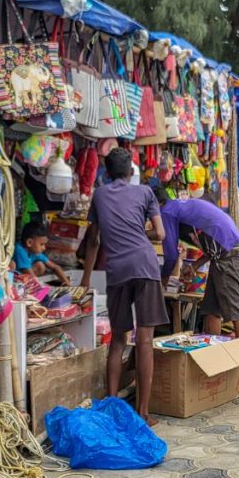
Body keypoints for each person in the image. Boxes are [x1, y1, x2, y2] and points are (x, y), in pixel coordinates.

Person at [80, 148, 168, 425]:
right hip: (145, 265)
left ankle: (111, 406)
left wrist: (84, 280)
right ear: (130, 170)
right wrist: (139, 232)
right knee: (144, 340)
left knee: (118, 340)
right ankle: (143, 412)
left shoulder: (100, 194)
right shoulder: (145, 192)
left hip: (116, 271)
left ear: (106, 172)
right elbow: (161, 233)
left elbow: (93, 241)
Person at [155, 189, 239, 393]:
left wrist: (163, 280)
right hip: (222, 255)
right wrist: (195, 265)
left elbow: (171, 253)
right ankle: (214, 365)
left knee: (236, 313)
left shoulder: (167, 211)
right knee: (211, 310)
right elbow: (212, 242)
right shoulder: (179, 206)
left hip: (228, 256)